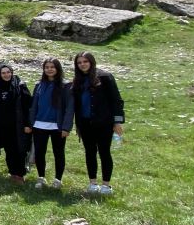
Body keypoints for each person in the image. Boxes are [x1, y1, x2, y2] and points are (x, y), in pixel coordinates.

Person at [72, 51, 125, 195]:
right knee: (89, 152)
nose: (82, 65)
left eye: (85, 61)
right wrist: (77, 124)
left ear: (91, 62)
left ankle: (106, 185)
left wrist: (117, 122)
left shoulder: (105, 77)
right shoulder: (77, 80)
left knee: (104, 152)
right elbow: (76, 104)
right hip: (85, 123)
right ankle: (93, 183)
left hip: (104, 123)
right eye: (79, 62)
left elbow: (117, 100)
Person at [26, 58, 74, 189]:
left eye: (52, 67)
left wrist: (66, 127)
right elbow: (33, 106)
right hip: (39, 125)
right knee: (40, 153)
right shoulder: (39, 85)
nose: (49, 69)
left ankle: (58, 179)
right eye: (47, 67)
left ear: (58, 69)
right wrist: (31, 123)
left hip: (57, 126)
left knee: (58, 153)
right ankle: (41, 177)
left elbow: (70, 108)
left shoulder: (66, 86)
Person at [0, 64, 33, 184]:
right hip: (3, 126)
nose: (6, 75)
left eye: (8, 72)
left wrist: (28, 124)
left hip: (19, 126)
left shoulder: (20, 86)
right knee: (9, 150)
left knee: (20, 150)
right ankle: (12, 173)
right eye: (3, 73)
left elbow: (28, 106)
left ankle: (20, 174)